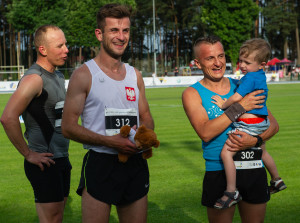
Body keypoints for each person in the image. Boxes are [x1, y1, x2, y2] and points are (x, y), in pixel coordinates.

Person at [61, 3, 154, 223]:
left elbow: (146, 116)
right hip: (100, 164)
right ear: (99, 34)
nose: (121, 37)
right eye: (114, 30)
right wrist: (111, 142)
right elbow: (68, 127)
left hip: (134, 162)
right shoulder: (84, 75)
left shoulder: (135, 75)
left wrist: (144, 137)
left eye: (126, 30)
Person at [182, 36, 279, 223]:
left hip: (252, 166)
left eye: (221, 56)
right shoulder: (192, 93)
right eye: (210, 58)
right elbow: (205, 132)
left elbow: (273, 125)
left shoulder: (241, 84)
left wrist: (255, 141)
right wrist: (240, 107)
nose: (218, 63)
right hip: (218, 171)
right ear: (197, 63)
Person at [0, 25, 71, 223]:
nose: (66, 49)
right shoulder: (34, 79)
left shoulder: (57, 75)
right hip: (44, 160)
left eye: (66, 44)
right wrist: (28, 154)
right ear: (43, 50)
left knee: (58, 217)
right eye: (60, 45)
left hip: (61, 158)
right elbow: (8, 117)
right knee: (52, 219)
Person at [211, 38, 286, 209]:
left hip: (248, 123)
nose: (242, 65)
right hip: (261, 122)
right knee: (262, 151)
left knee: (226, 154)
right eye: (241, 60)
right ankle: (276, 179)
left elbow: (237, 98)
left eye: (247, 62)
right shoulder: (259, 75)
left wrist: (223, 104)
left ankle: (231, 191)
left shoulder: (249, 78)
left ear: (262, 64)